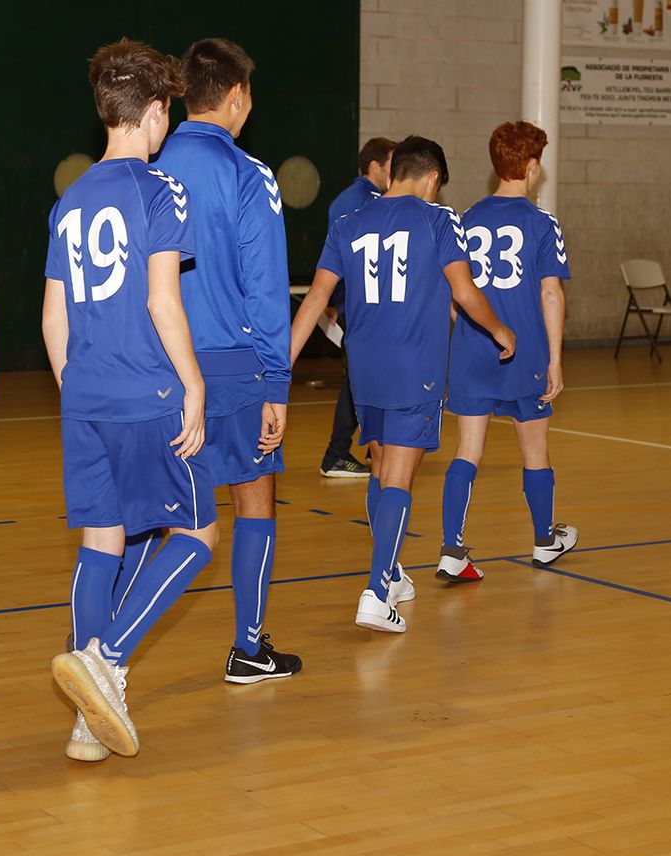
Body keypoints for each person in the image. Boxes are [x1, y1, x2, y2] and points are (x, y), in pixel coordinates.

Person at [45, 39, 218, 760]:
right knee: (199, 536)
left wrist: (78, 387)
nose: (167, 129)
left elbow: (53, 318)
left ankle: (90, 720)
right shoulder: (159, 188)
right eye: (166, 116)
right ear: (152, 111)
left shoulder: (70, 199)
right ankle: (107, 658)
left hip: (83, 394)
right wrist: (195, 385)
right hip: (147, 391)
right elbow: (162, 301)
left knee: (103, 540)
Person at [290, 136, 513, 633]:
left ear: (394, 172)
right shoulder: (439, 219)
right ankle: (374, 592)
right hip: (418, 367)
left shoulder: (348, 223)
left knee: (379, 466)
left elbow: (313, 301)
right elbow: (464, 289)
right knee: (399, 478)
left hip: (364, 369)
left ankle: (389, 572)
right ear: (433, 179)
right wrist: (500, 330)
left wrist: (282, 364)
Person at [153, 38, 301, 685]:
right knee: (254, 501)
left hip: (157, 366)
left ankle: (99, 645)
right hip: (234, 367)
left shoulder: (148, 165)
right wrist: (278, 380)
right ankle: (249, 647)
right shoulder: (248, 173)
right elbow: (267, 288)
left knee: (152, 519)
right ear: (238, 95)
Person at [438, 122, 580, 584]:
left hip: (473, 352)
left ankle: (452, 549)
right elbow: (551, 294)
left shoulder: (461, 218)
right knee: (534, 449)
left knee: (468, 451)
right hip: (525, 355)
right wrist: (555, 359)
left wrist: (469, 331)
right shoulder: (543, 222)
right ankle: (544, 540)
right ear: (532, 166)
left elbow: (454, 295)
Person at [317, 137, 396, 479]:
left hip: (353, 307)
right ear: (376, 166)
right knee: (359, 383)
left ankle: (368, 445)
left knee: (361, 380)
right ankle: (338, 453)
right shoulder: (371, 203)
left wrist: (335, 301)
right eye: (393, 165)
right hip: (368, 311)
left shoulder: (342, 201)